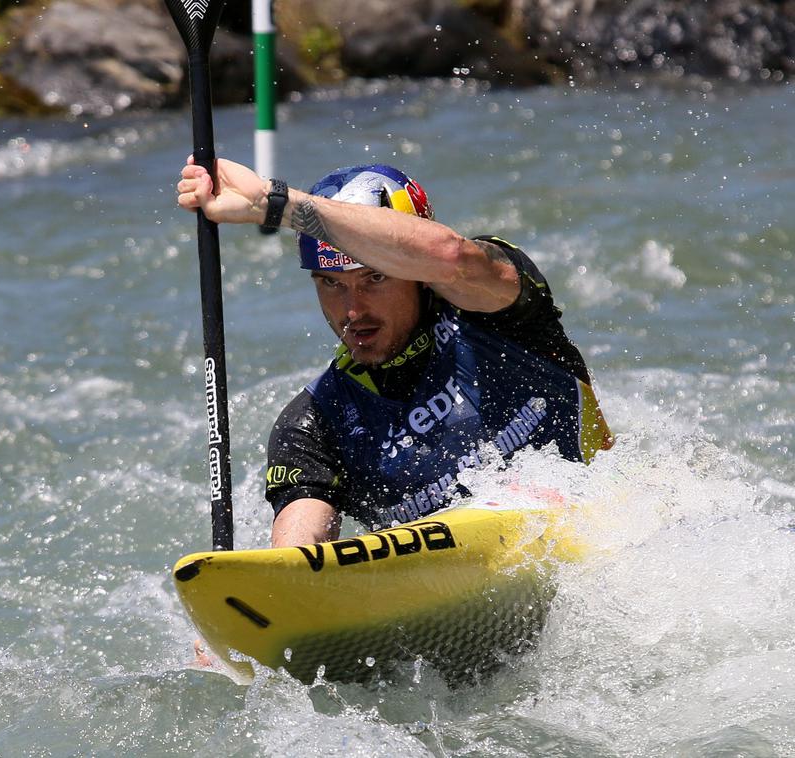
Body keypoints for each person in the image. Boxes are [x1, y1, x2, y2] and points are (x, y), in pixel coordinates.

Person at [176, 158, 613, 548]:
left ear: (416, 275)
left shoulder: (496, 306)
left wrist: (277, 205)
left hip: (605, 543)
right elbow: (298, 553)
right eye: (331, 283)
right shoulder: (315, 423)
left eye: (376, 278)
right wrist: (248, 614)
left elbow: (447, 255)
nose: (352, 309)